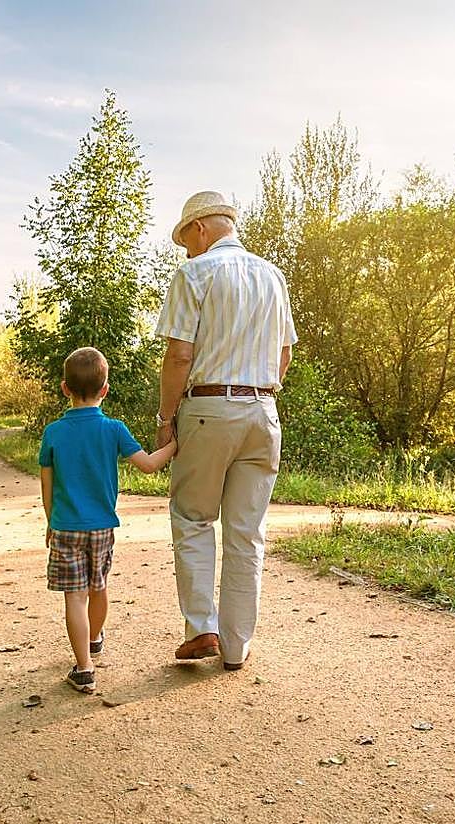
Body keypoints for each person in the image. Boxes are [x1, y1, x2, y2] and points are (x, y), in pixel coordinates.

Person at [154, 190, 297, 671]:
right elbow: (285, 355)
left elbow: (179, 355)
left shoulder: (195, 273)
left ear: (199, 229)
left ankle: (201, 629)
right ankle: (236, 647)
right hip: (264, 410)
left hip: (208, 408)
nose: (186, 251)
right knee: (246, 531)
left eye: (185, 240)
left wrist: (165, 418)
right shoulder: (273, 276)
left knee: (194, 518)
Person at [39, 347, 177, 692]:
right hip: (102, 527)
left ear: (64, 388)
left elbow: (47, 484)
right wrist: (176, 444)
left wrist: (50, 521)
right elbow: (148, 464)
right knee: (98, 586)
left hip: (66, 526)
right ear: (105, 389)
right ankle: (95, 637)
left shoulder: (53, 433)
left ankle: (84, 669)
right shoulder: (113, 429)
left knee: (75, 596)